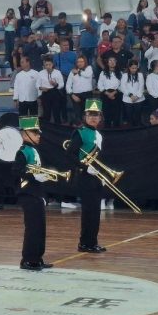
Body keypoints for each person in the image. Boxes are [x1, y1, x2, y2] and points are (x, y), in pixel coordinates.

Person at [66, 99, 107, 253]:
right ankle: (85, 243)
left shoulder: (98, 134)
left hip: (96, 176)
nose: (93, 118)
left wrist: (102, 175)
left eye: (96, 115)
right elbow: (70, 155)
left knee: (96, 211)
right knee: (89, 211)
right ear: (85, 116)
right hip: (85, 176)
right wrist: (85, 167)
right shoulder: (80, 133)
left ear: (100, 117)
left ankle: (92, 242)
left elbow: (99, 159)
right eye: (90, 115)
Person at [13, 116, 53, 271]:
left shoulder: (34, 150)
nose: (38, 135)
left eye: (38, 133)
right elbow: (16, 171)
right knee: (32, 227)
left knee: (40, 227)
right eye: (34, 132)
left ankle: (37, 258)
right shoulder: (22, 151)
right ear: (24, 134)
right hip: (27, 193)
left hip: (36, 193)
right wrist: (33, 176)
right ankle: (28, 260)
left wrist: (43, 193)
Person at [37, 55, 64, 123]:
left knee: (56, 112)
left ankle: (58, 127)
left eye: (49, 64)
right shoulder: (41, 73)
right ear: (44, 65)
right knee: (46, 113)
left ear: (52, 64)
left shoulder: (57, 72)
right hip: (45, 93)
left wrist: (55, 84)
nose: (48, 66)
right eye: (46, 65)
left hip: (55, 92)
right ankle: (47, 128)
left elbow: (62, 84)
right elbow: (37, 84)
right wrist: (41, 88)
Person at [98, 56, 122, 128]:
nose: (112, 62)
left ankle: (116, 127)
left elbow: (122, 85)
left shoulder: (120, 73)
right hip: (105, 94)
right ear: (107, 63)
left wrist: (114, 93)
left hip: (117, 94)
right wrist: (108, 93)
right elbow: (99, 85)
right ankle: (107, 127)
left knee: (117, 112)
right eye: (110, 61)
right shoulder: (103, 73)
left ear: (116, 62)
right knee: (106, 112)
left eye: (114, 61)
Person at [120, 59, 145, 126]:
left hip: (139, 99)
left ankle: (138, 129)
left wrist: (137, 96)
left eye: (135, 68)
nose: (134, 70)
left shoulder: (140, 75)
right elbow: (123, 87)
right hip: (127, 99)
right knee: (129, 117)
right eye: (132, 68)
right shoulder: (125, 75)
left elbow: (141, 86)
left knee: (138, 117)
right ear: (129, 68)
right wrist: (130, 95)